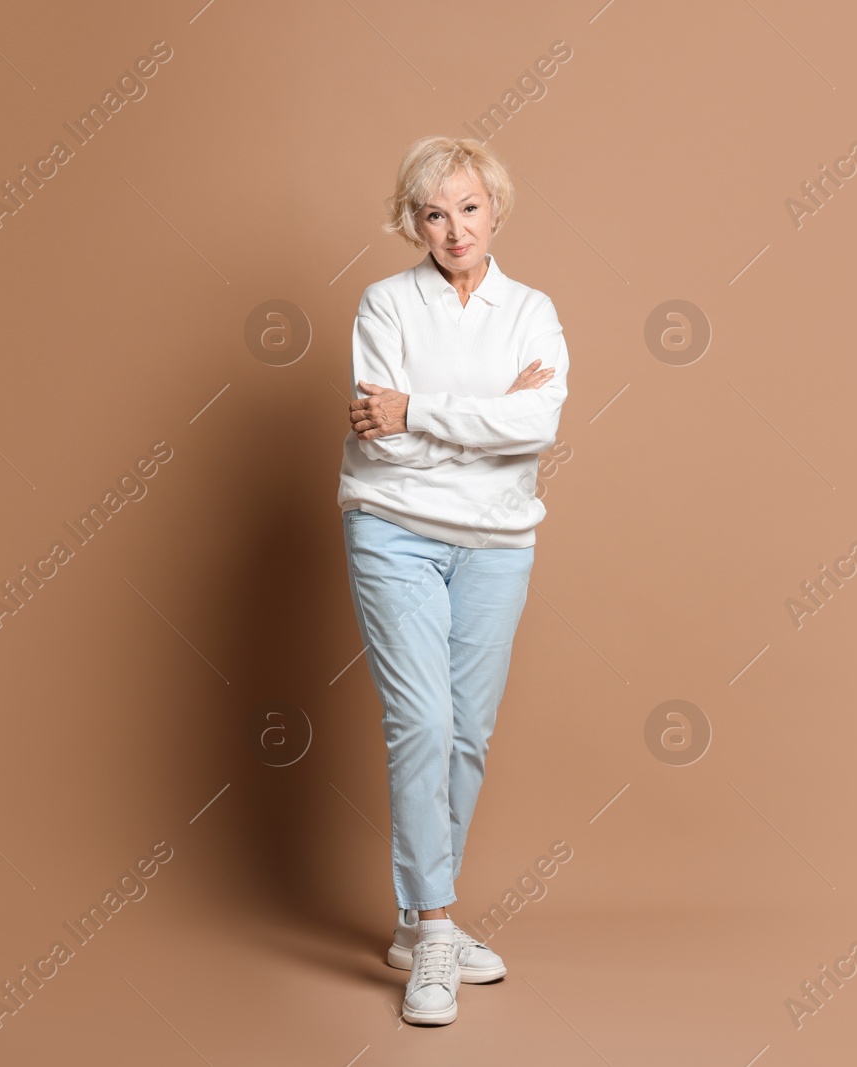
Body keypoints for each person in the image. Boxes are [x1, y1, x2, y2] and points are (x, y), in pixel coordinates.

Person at [337, 134, 570, 1026]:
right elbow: (376, 437)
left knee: (467, 730)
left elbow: (536, 426)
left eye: (468, 207)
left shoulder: (533, 311)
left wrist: (422, 410)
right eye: (434, 212)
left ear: (495, 210)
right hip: (393, 534)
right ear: (415, 222)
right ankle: (434, 930)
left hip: (499, 545)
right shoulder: (385, 305)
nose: (454, 227)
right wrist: (485, 420)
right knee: (422, 721)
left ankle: (412, 916)